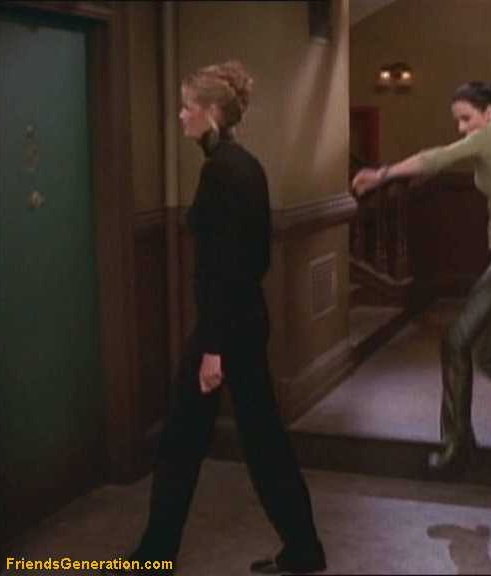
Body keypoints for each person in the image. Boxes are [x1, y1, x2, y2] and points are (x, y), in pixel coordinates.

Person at [113, 60, 326, 575]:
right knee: (261, 440)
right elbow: (255, 260)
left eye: (187, 106)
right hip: (241, 321)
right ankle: (303, 549)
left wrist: (213, 348)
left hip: (225, 328)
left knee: (185, 441)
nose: (180, 115)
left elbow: (226, 267)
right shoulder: (245, 165)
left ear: (210, 112)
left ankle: (156, 554)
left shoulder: (222, 171)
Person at [352, 81, 491, 475]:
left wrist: (382, 174)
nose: (461, 128)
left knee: (489, 357)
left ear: (489, 114)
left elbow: (436, 158)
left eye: (466, 118)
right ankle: (458, 444)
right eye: (457, 121)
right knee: (455, 342)